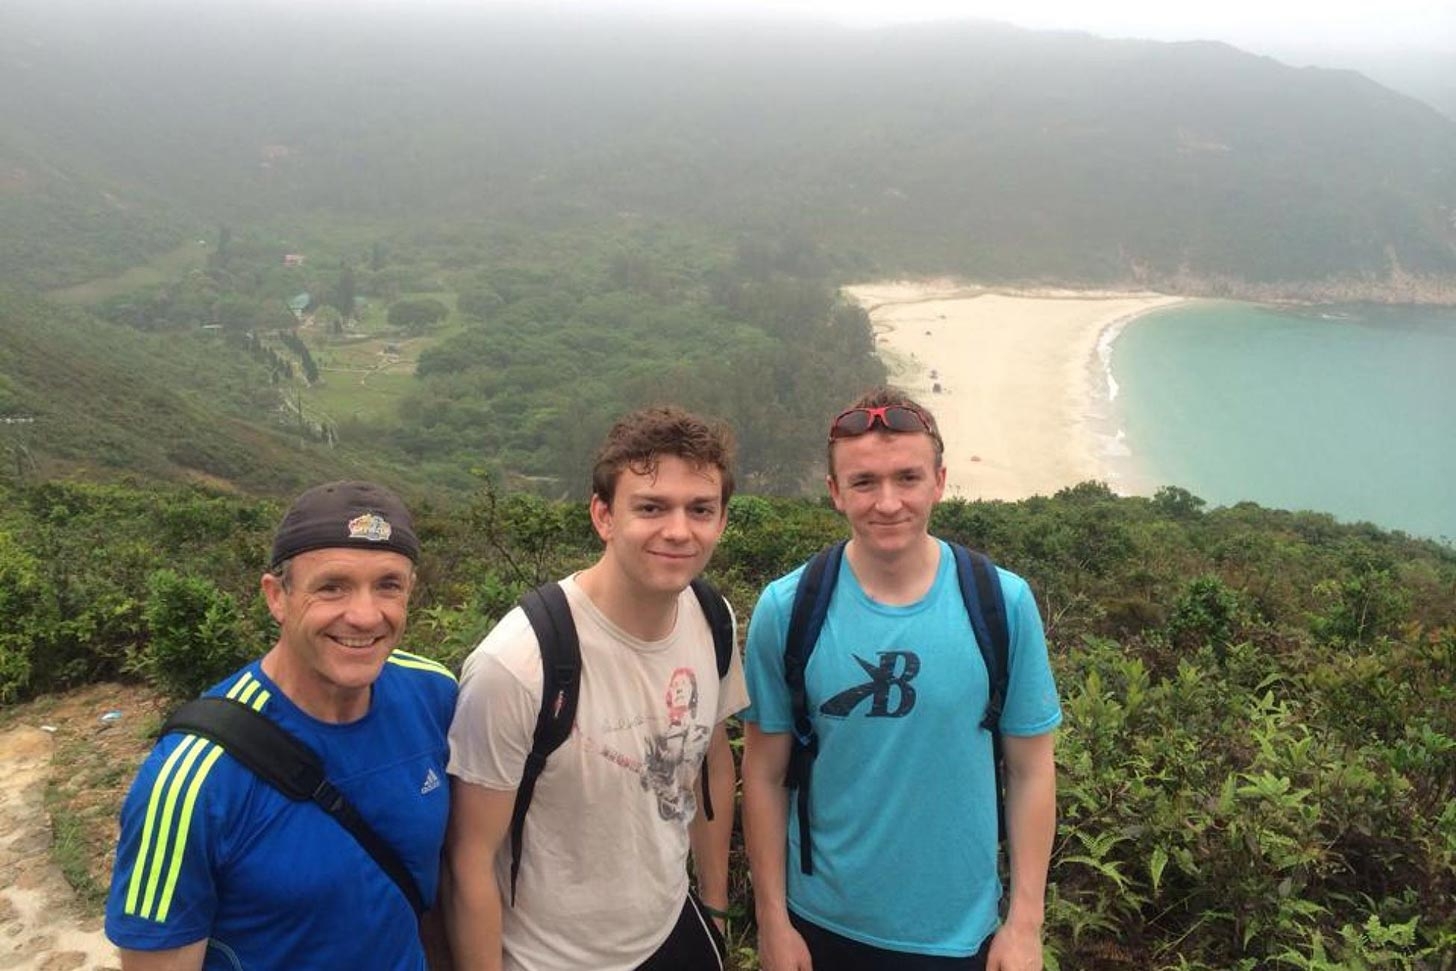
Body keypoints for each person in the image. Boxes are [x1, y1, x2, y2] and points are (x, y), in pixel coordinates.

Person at [741, 388, 1061, 971]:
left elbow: (1031, 769)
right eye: (863, 482)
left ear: (939, 481)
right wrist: (773, 923)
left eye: (907, 478)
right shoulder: (788, 609)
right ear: (835, 492)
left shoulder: (1001, 602)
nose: (888, 502)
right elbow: (763, 776)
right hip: (820, 926)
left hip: (962, 933)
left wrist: (1024, 924)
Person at [105, 481, 457, 970]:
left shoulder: (434, 694)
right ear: (277, 597)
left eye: (388, 585)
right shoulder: (191, 779)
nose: (364, 615)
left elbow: (437, 884)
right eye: (332, 587)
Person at [446, 405, 748, 971]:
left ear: (723, 519)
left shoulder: (713, 619)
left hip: (671, 933)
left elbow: (709, 762)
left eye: (700, 509)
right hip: (550, 958)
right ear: (603, 515)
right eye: (652, 508)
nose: (679, 530)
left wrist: (712, 904)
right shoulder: (518, 664)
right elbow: (470, 861)